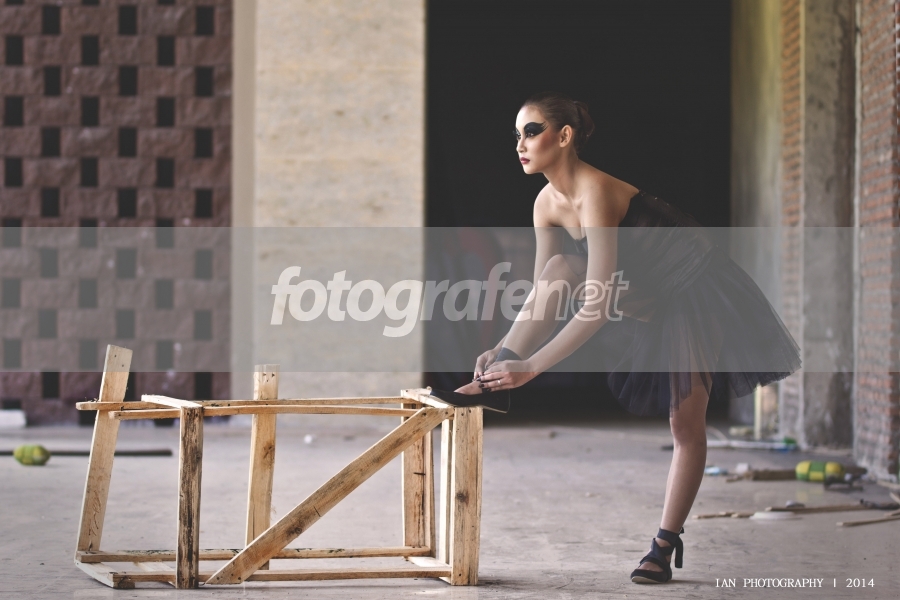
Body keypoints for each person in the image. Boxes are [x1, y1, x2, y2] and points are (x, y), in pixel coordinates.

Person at [428, 91, 802, 584]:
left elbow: (598, 305)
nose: (520, 144)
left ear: (564, 136)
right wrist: (505, 349)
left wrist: (532, 368)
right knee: (560, 268)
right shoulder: (545, 203)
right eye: (516, 134)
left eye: (531, 132)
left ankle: (663, 545)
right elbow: (545, 290)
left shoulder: (596, 193)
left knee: (685, 423)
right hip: (644, 288)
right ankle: (492, 388)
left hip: (694, 287)